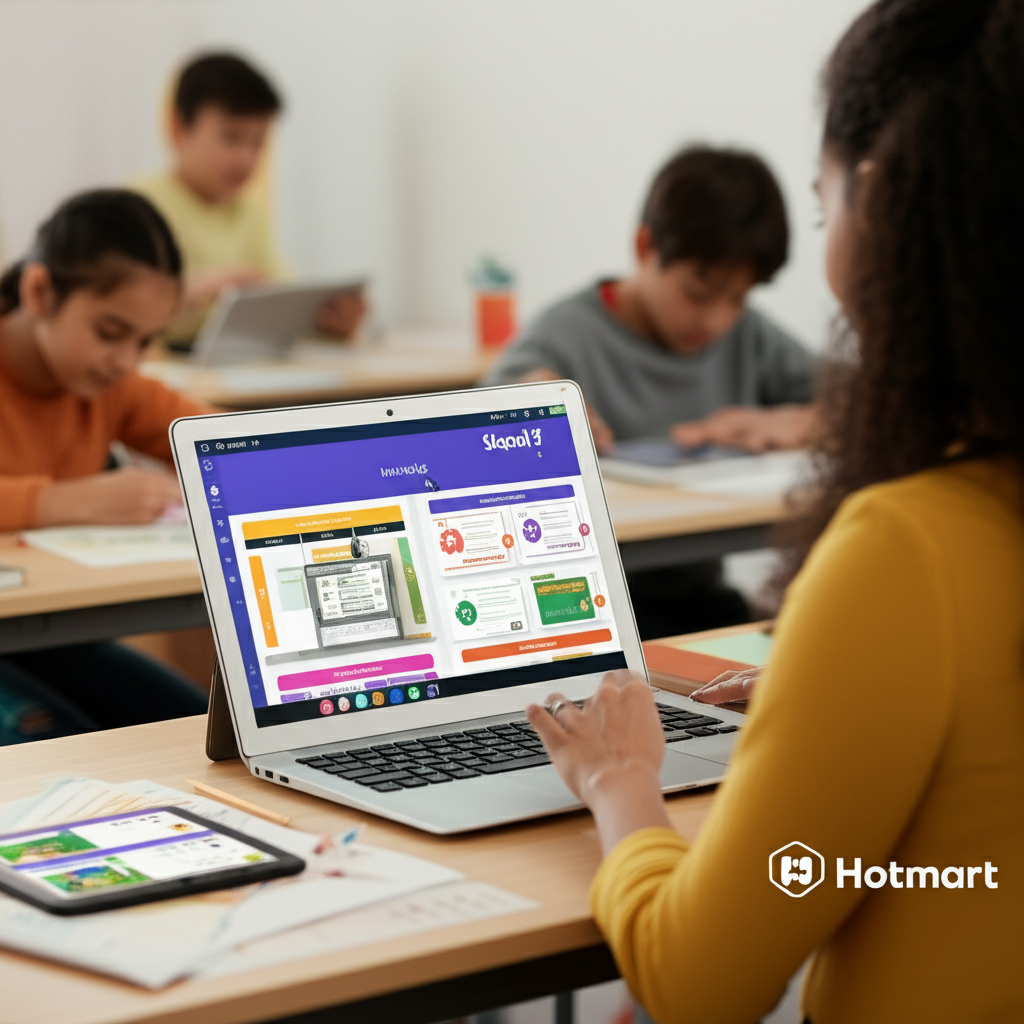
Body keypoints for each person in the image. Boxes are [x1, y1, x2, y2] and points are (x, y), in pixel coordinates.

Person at [525, 1, 1023, 1022]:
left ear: (877, 204)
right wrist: (826, 694)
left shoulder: (907, 551)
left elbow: (696, 983)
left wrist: (619, 781)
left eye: (823, 203)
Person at [483, 147, 818, 638]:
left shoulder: (749, 336)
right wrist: (525, 406)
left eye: (738, 298)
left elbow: (866, 400)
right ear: (644, 247)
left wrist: (800, 421)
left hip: (700, 604)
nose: (716, 319)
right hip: (580, 612)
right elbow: (484, 412)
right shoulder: (566, 334)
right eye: (699, 293)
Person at [0, 189, 210, 743]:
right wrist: (59, 502)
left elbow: (219, 439)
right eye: (111, 333)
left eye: (145, 341)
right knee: (56, 745)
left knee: (198, 730)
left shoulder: (108, 383)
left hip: (45, 633)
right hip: (24, 631)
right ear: (39, 291)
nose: (126, 361)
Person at [131, 52, 365, 348]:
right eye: (231, 137)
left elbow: (284, 298)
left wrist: (329, 321)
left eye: (258, 142)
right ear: (179, 129)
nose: (247, 158)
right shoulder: (139, 205)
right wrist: (189, 293)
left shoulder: (249, 210)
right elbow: (122, 310)